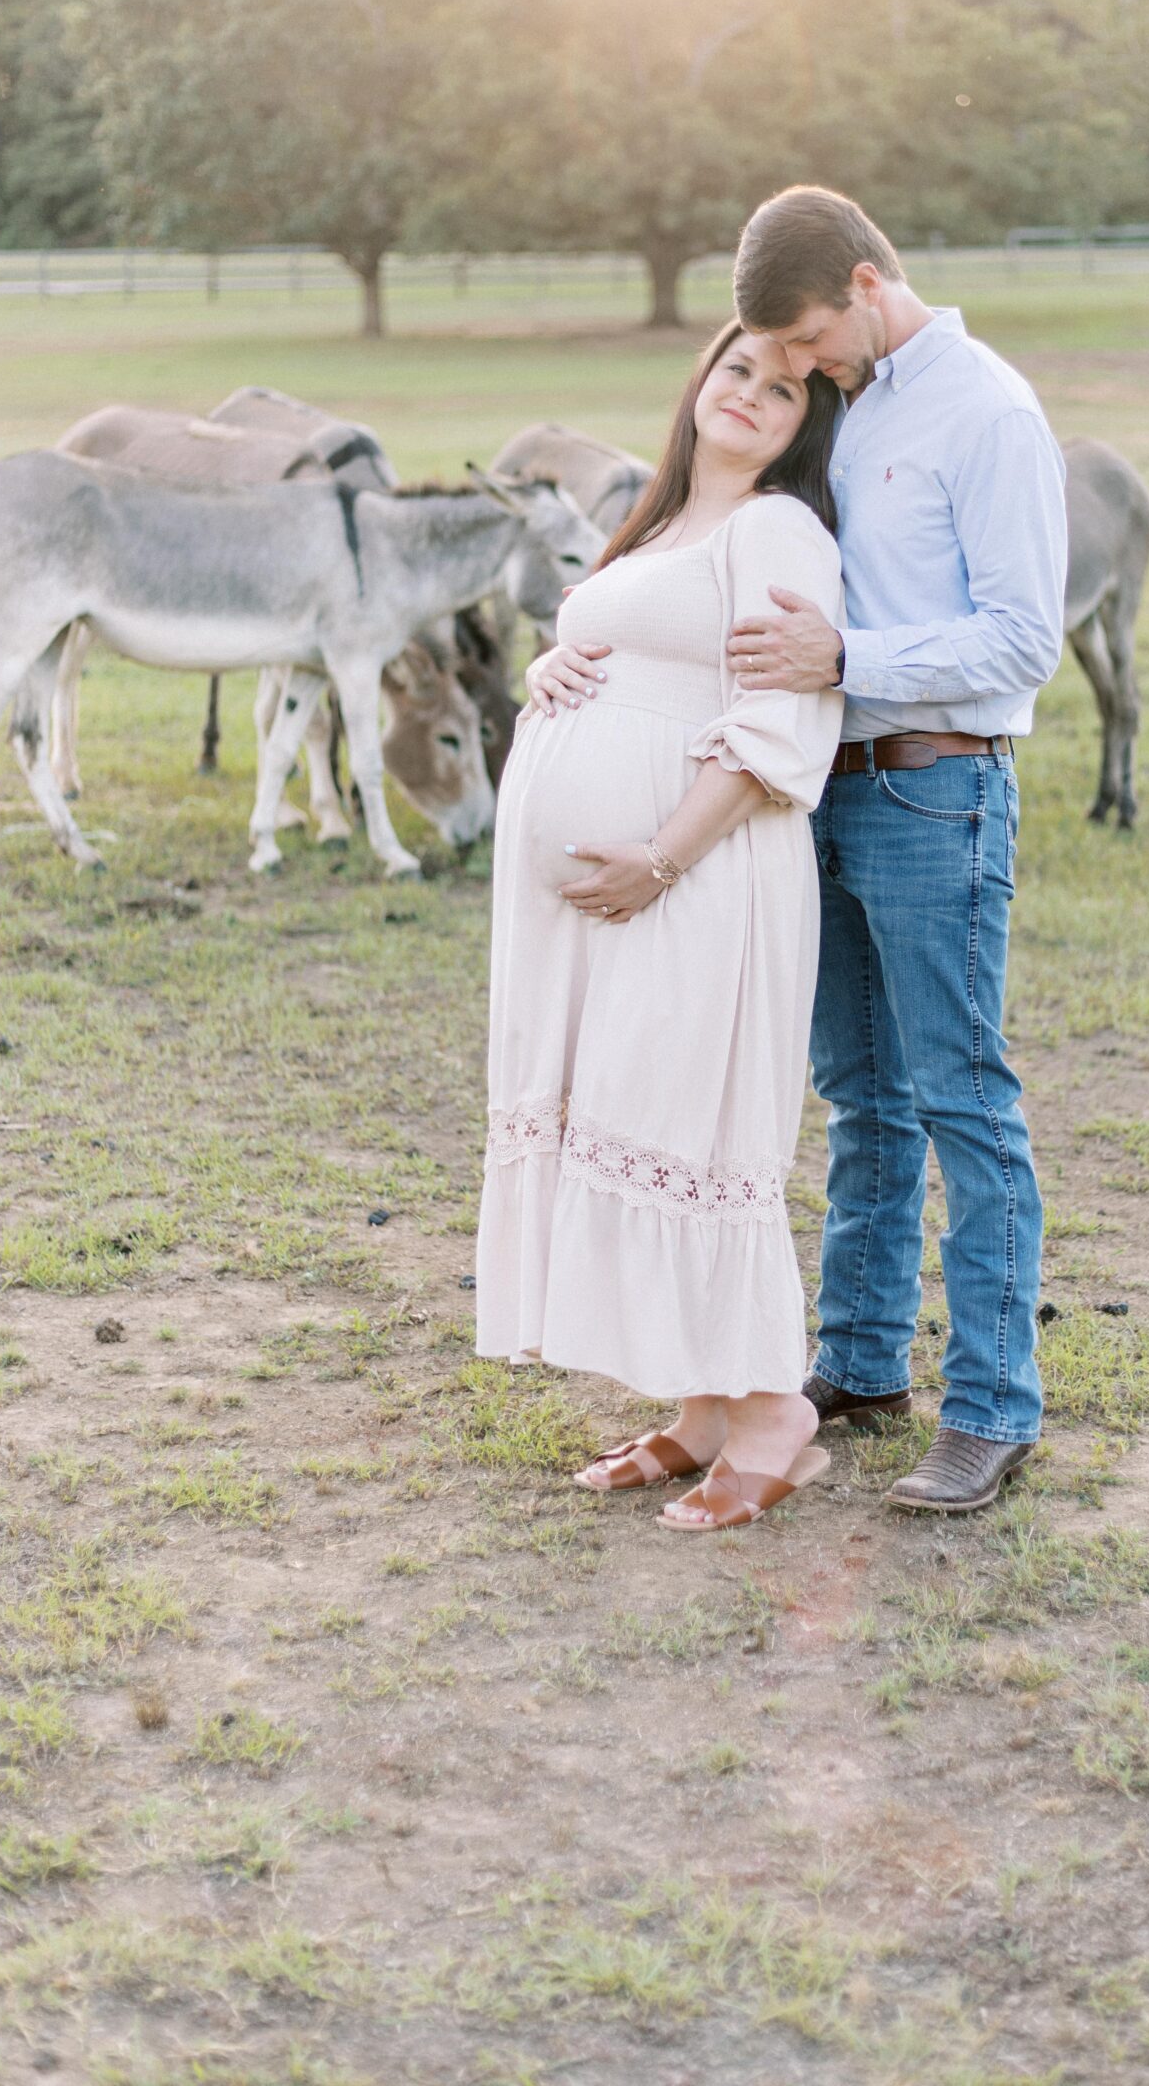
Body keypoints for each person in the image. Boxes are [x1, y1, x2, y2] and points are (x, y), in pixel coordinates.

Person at [541, 190, 1068, 1513]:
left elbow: (1021, 640)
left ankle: (995, 1412)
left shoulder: (984, 411)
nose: (804, 371)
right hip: (814, 797)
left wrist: (850, 660)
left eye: (812, 343)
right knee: (859, 1096)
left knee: (959, 1095)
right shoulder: (853, 402)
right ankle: (860, 1361)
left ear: (863, 280)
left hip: (932, 790)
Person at [475, 321, 847, 1534]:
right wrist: (550, 671)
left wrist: (661, 855)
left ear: (806, 424)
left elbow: (777, 721)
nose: (749, 394)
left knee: (687, 1118)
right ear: (700, 381)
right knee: (630, 1109)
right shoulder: (666, 520)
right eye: (736, 369)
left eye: (783, 388)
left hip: (700, 878)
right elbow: (625, 653)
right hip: (609, 901)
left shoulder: (775, 529)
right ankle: (700, 1409)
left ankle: (771, 1416)